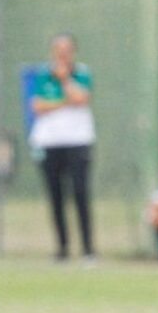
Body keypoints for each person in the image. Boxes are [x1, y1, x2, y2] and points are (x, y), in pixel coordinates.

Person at [28, 33, 95, 261]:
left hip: (78, 141)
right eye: (58, 49)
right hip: (50, 142)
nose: (62, 54)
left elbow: (81, 99)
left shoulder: (82, 73)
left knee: (80, 192)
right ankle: (62, 248)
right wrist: (64, 103)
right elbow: (38, 105)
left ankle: (88, 249)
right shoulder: (43, 74)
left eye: (67, 49)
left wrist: (65, 80)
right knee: (55, 195)